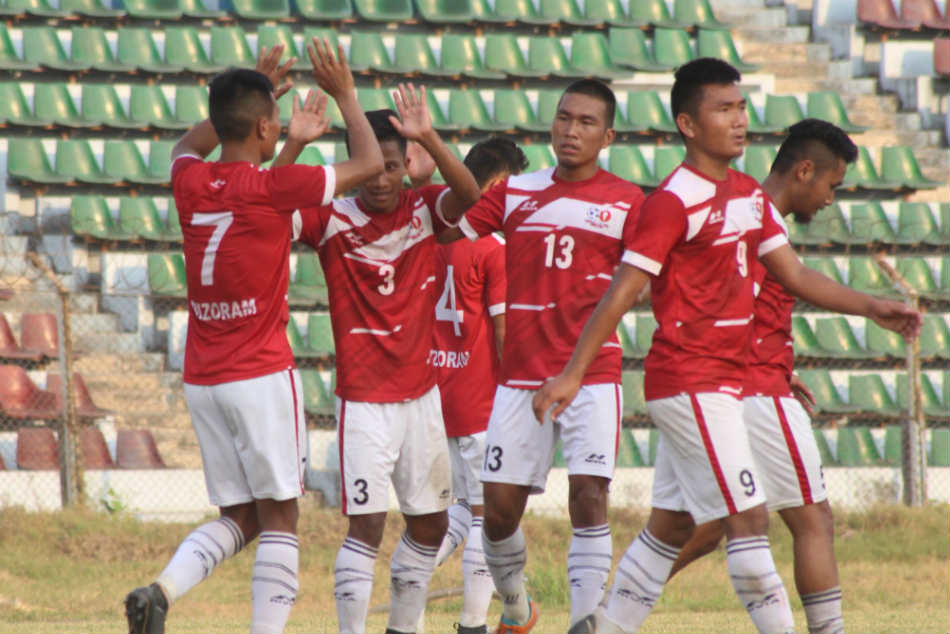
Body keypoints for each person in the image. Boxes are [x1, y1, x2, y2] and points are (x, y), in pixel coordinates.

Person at [533, 58, 921, 634]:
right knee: (749, 518)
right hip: (689, 382)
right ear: (689, 125)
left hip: (723, 384)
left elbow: (792, 275)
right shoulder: (672, 201)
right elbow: (621, 293)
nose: (739, 120)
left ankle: (603, 628)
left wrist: (873, 305)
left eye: (741, 107)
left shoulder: (746, 194)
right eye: (723, 109)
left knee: (670, 525)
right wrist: (571, 373)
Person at [124, 39, 384, 634]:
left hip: (204, 377)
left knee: (241, 516)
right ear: (266, 127)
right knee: (282, 516)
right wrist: (345, 93)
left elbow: (189, 145)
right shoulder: (272, 189)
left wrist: (262, 119)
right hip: (261, 373)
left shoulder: (191, 181)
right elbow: (369, 165)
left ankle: (160, 591)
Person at [442, 79, 646, 633]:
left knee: (589, 495)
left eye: (584, 123)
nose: (570, 130)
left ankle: (585, 621)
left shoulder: (629, 201)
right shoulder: (515, 192)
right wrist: (432, 154)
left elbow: (647, 282)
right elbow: (449, 225)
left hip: (593, 373)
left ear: (607, 136)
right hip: (521, 378)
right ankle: (515, 607)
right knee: (499, 513)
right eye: (563, 118)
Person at [292, 85, 481, 634]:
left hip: (422, 400)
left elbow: (471, 197)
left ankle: (401, 627)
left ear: (404, 165)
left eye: (392, 166)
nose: (380, 178)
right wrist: (298, 145)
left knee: (430, 525)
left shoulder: (422, 210)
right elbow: (269, 205)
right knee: (366, 527)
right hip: (364, 404)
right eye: (371, 167)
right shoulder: (330, 219)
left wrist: (429, 137)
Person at [664, 118, 862, 634]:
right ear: (804, 170)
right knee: (812, 519)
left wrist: (783, 364)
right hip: (752, 389)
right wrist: (877, 307)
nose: (828, 200)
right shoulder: (755, 218)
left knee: (702, 528)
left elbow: (730, 301)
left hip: (723, 385)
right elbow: (784, 286)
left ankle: (615, 599)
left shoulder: (739, 214)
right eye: (831, 186)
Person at [423, 138, 528, 634]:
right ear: (497, 186)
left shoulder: (431, 239)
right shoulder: (492, 248)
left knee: (460, 509)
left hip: (435, 392)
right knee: (490, 516)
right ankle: (471, 624)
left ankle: (413, 577)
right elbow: (504, 331)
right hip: (481, 397)